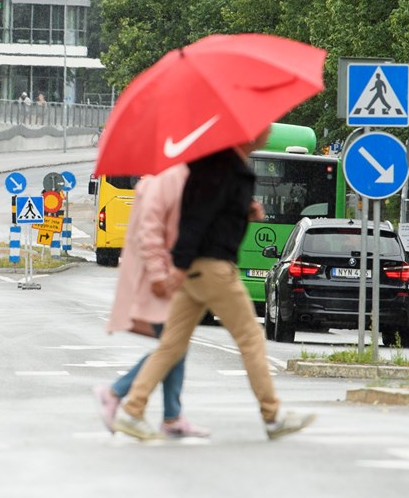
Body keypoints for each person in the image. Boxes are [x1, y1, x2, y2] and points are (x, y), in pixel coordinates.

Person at [112, 127, 317, 441]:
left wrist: (245, 211)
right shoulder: (229, 170)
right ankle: (273, 415)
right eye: (262, 128)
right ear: (246, 136)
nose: (265, 133)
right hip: (213, 269)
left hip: (196, 268)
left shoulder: (216, 167)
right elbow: (196, 220)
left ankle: (132, 409)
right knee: (250, 337)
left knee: (171, 344)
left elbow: (210, 215)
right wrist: (178, 265)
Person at [93, 163, 210, 438]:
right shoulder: (160, 184)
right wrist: (160, 275)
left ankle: (171, 416)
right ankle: (115, 393)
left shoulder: (173, 181)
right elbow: (150, 236)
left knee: (174, 347)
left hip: (169, 278)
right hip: (159, 281)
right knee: (172, 346)